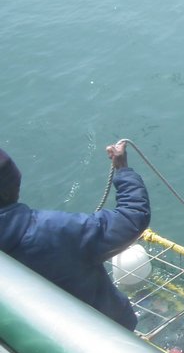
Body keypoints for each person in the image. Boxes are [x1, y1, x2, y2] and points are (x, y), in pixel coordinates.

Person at [0, 141, 151, 330]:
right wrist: (123, 171)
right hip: (102, 334)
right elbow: (131, 218)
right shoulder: (51, 231)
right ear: (14, 185)